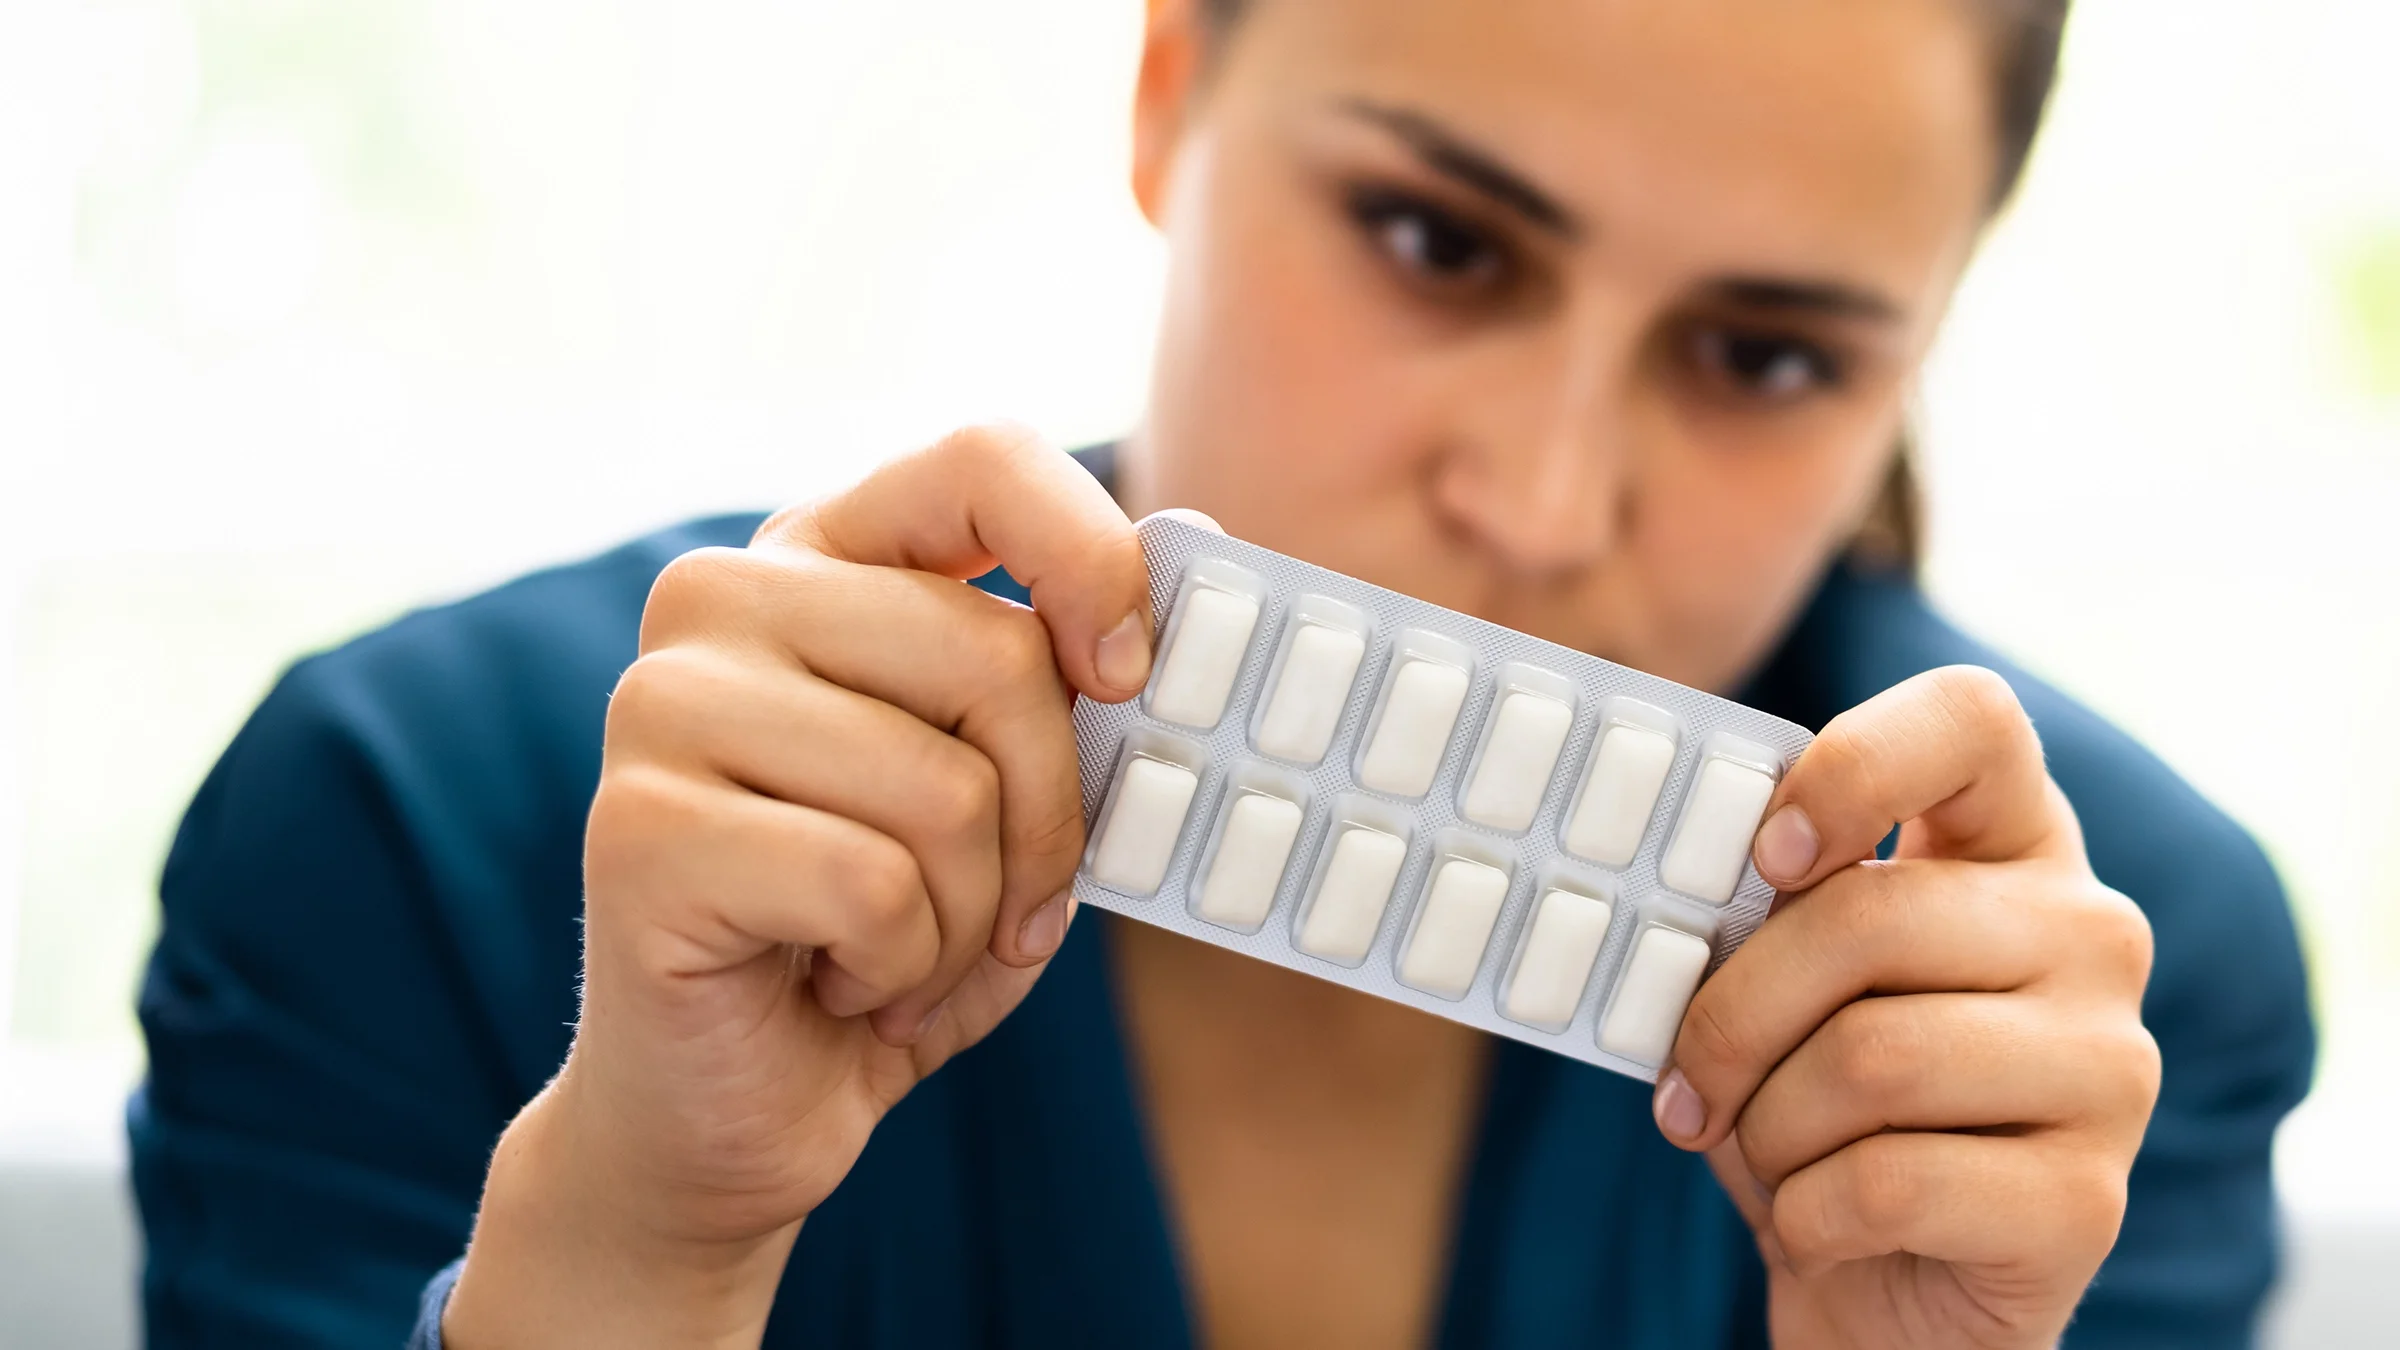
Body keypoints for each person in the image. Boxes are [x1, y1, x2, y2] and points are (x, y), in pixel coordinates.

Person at [130, 0, 2316, 1346]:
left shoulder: (2085, 1008)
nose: (1547, 500)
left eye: (1763, 356)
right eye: (1439, 241)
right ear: (1169, 88)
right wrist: (625, 1260)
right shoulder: (415, 823)